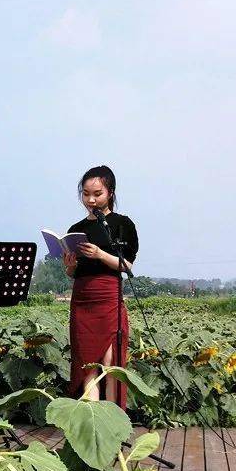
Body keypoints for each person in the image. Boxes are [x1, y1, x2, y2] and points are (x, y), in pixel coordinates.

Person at [63, 165, 138, 408]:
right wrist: (70, 265)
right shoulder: (76, 230)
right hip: (82, 299)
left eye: (97, 193)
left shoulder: (121, 224)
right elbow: (73, 274)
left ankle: (113, 423)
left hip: (108, 297)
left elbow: (126, 265)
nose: (91, 199)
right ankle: (91, 420)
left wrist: (100, 254)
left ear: (111, 193)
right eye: (86, 194)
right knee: (87, 364)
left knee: (110, 362)